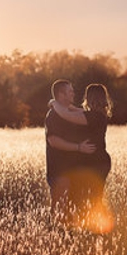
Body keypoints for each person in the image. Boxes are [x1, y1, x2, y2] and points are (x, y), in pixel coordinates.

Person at [49, 83, 114, 232]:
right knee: (91, 196)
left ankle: (99, 227)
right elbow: (76, 110)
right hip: (99, 161)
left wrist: (54, 103)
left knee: (93, 197)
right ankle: (94, 226)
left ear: (90, 98)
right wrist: (67, 106)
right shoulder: (97, 115)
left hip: (96, 163)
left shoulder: (92, 117)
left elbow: (66, 115)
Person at [45, 79, 96, 221]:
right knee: (58, 209)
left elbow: (91, 114)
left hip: (73, 169)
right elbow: (53, 141)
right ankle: (53, 235)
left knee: (71, 210)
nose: (73, 93)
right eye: (70, 91)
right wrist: (79, 147)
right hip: (59, 169)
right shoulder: (53, 116)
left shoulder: (69, 112)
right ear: (61, 95)